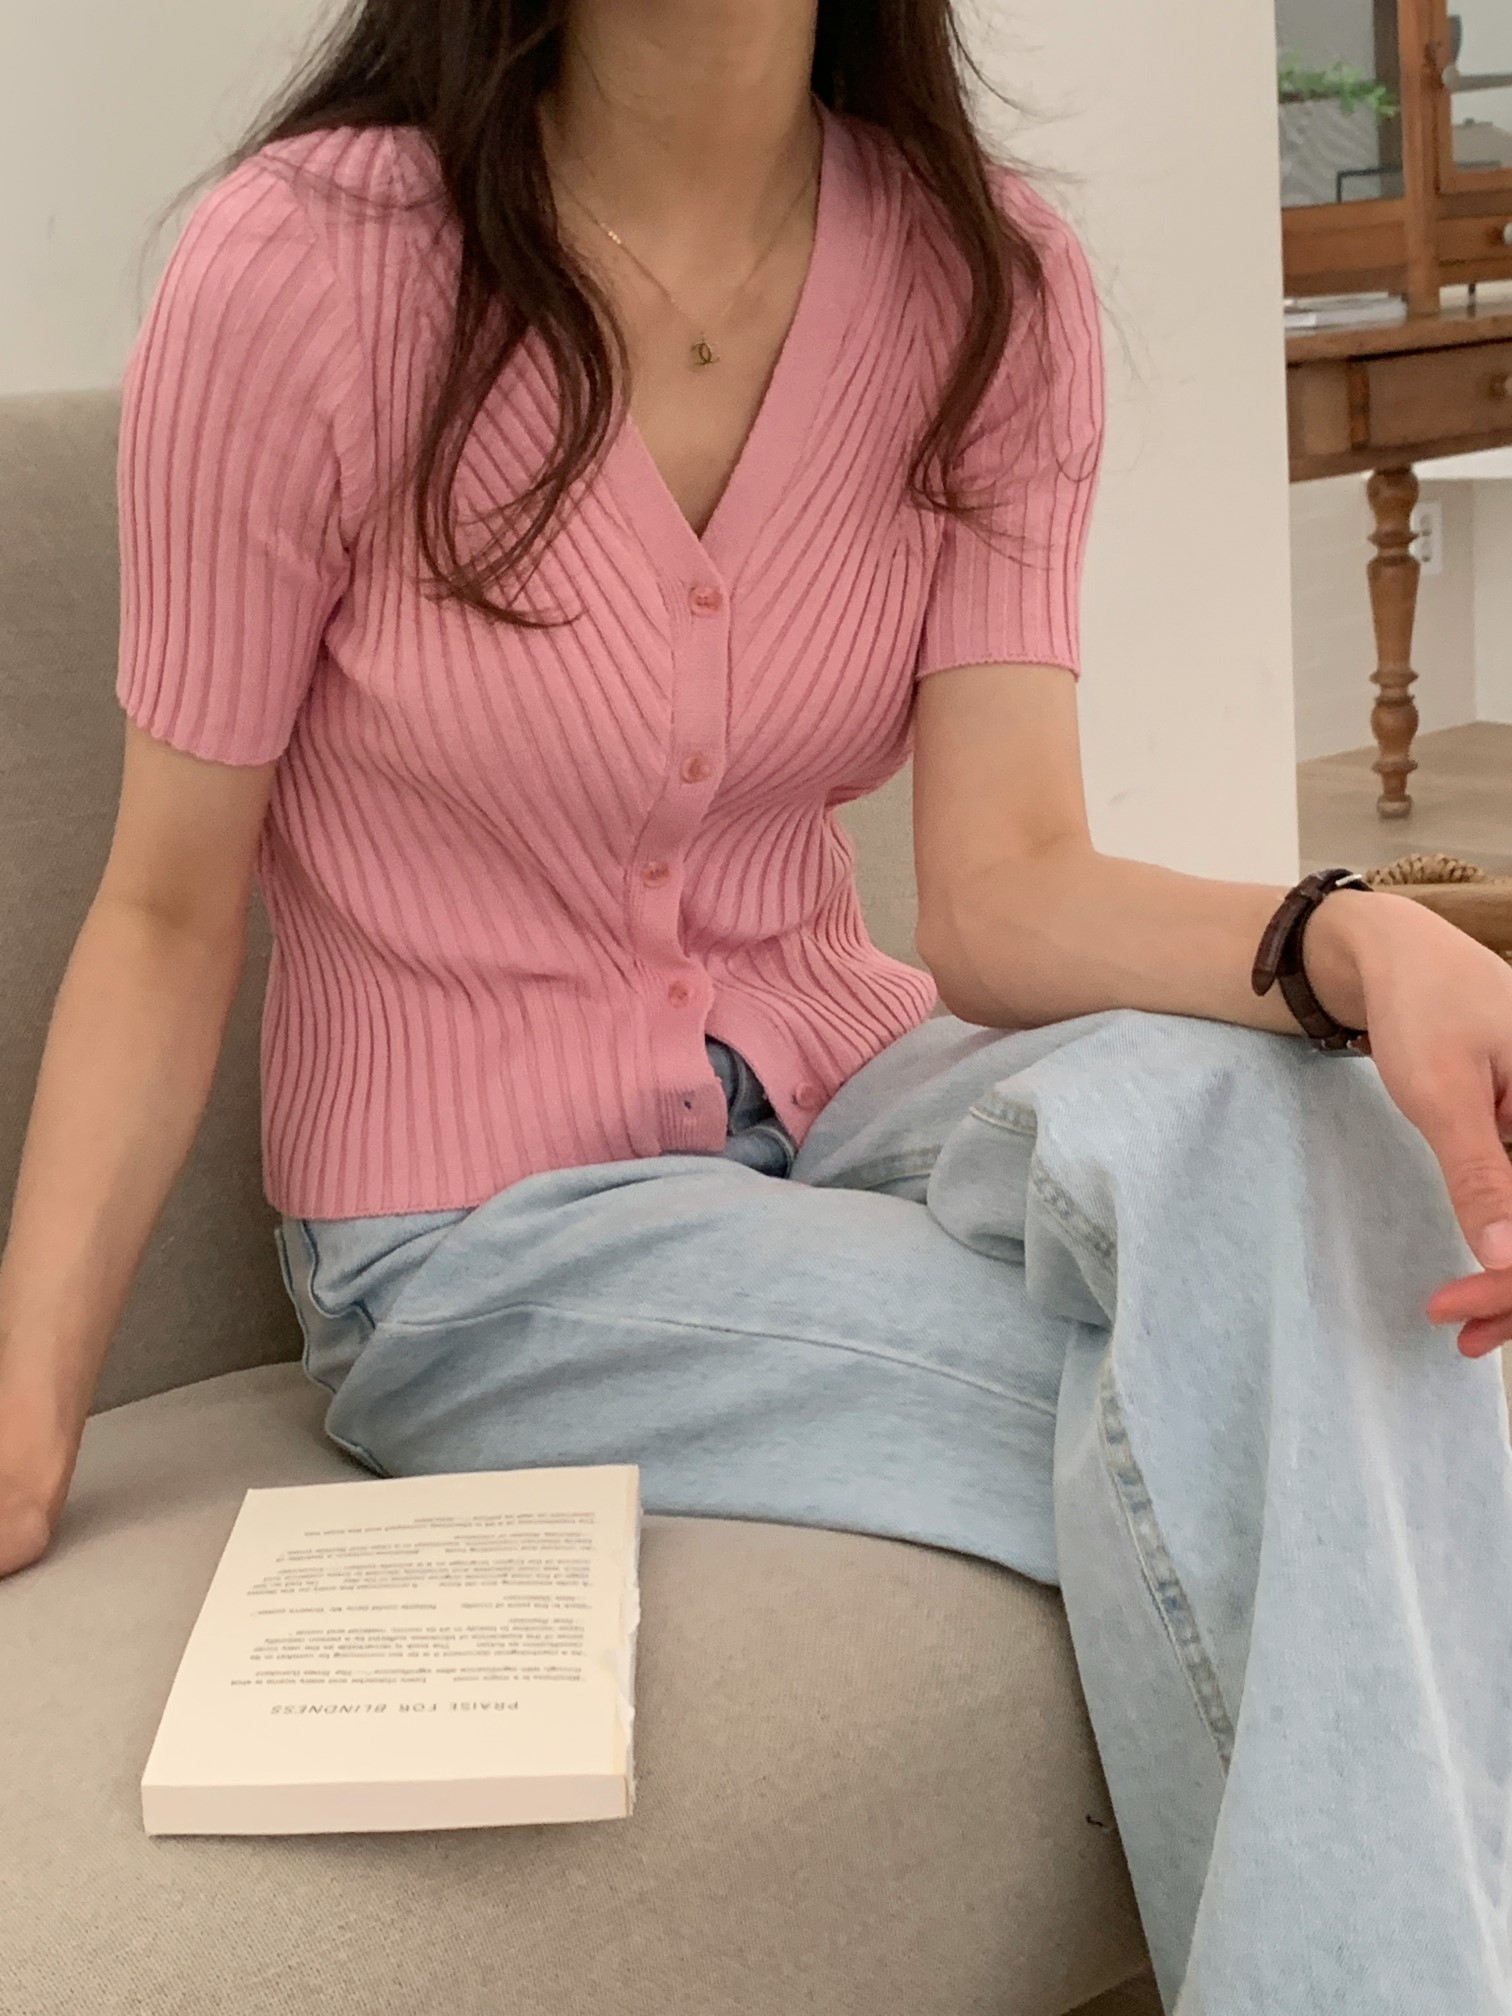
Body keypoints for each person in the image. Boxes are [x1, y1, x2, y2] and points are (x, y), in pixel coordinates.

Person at [2, 0, 1511, 2005]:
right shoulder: (310, 269)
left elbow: (1007, 894)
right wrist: (27, 1405)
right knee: (1326, 1399)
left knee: (1304, 1130)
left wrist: (1357, 942)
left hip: (856, 1081)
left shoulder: (988, 280)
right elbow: (164, 910)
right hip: (478, 1233)